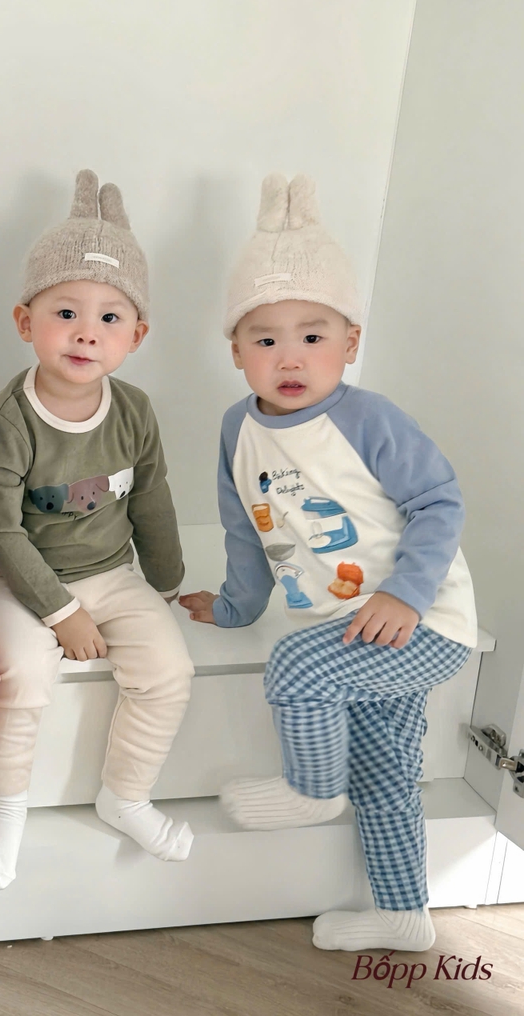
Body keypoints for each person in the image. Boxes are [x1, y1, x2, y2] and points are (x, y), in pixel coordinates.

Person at [180, 173, 477, 952]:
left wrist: (406, 595)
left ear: (349, 343)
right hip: (348, 627)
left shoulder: (369, 419)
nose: (289, 356)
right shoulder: (236, 429)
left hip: (421, 620)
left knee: (296, 667)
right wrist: (234, 606)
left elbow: (438, 502)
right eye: (264, 339)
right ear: (235, 351)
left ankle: (312, 791)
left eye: (312, 337)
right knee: (384, 774)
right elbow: (246, 530)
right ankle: (403, 914)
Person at [0, 170, 195, 889]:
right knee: (21, 675)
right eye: (65, 312)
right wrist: (60, 612)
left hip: (110, 572)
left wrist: (166, 585)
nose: (86, 333)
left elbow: (151, 498)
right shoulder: (5, 422)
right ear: (24, 321)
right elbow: (1, 531)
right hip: (14, 581)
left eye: (109, 318)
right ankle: (6, 809)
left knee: (169, 671)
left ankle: (125, 796)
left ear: (137, 335)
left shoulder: (134, 410)